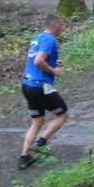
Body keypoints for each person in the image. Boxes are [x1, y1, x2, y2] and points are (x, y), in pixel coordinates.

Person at [19, 14, 69, 169]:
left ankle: (24, 157)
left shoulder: (38, 37)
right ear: (54, 25)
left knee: (38, 122)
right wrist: (53, 71)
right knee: (63, 115)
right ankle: (41, 141)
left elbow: (38, 58)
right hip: (40, 86)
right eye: (61, 25)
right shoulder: (49, 39)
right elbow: (38, 60)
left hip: (27, 85)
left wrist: (53, 62)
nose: (63, 27)